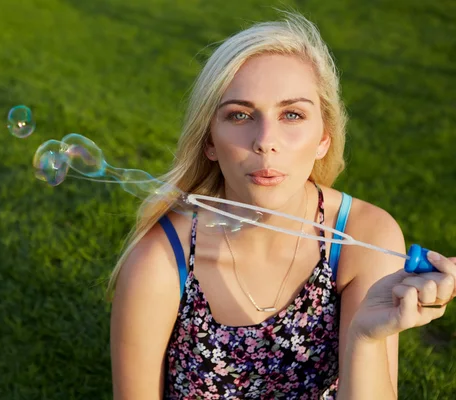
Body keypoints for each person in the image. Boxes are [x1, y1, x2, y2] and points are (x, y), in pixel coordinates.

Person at [108, 11, 455, 400]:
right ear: (208, 142)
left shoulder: (362, 237)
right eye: (240, 115)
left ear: (323, 137)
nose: (265, 140)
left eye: (292, 114)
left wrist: (366, 338)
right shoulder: (160, 260)